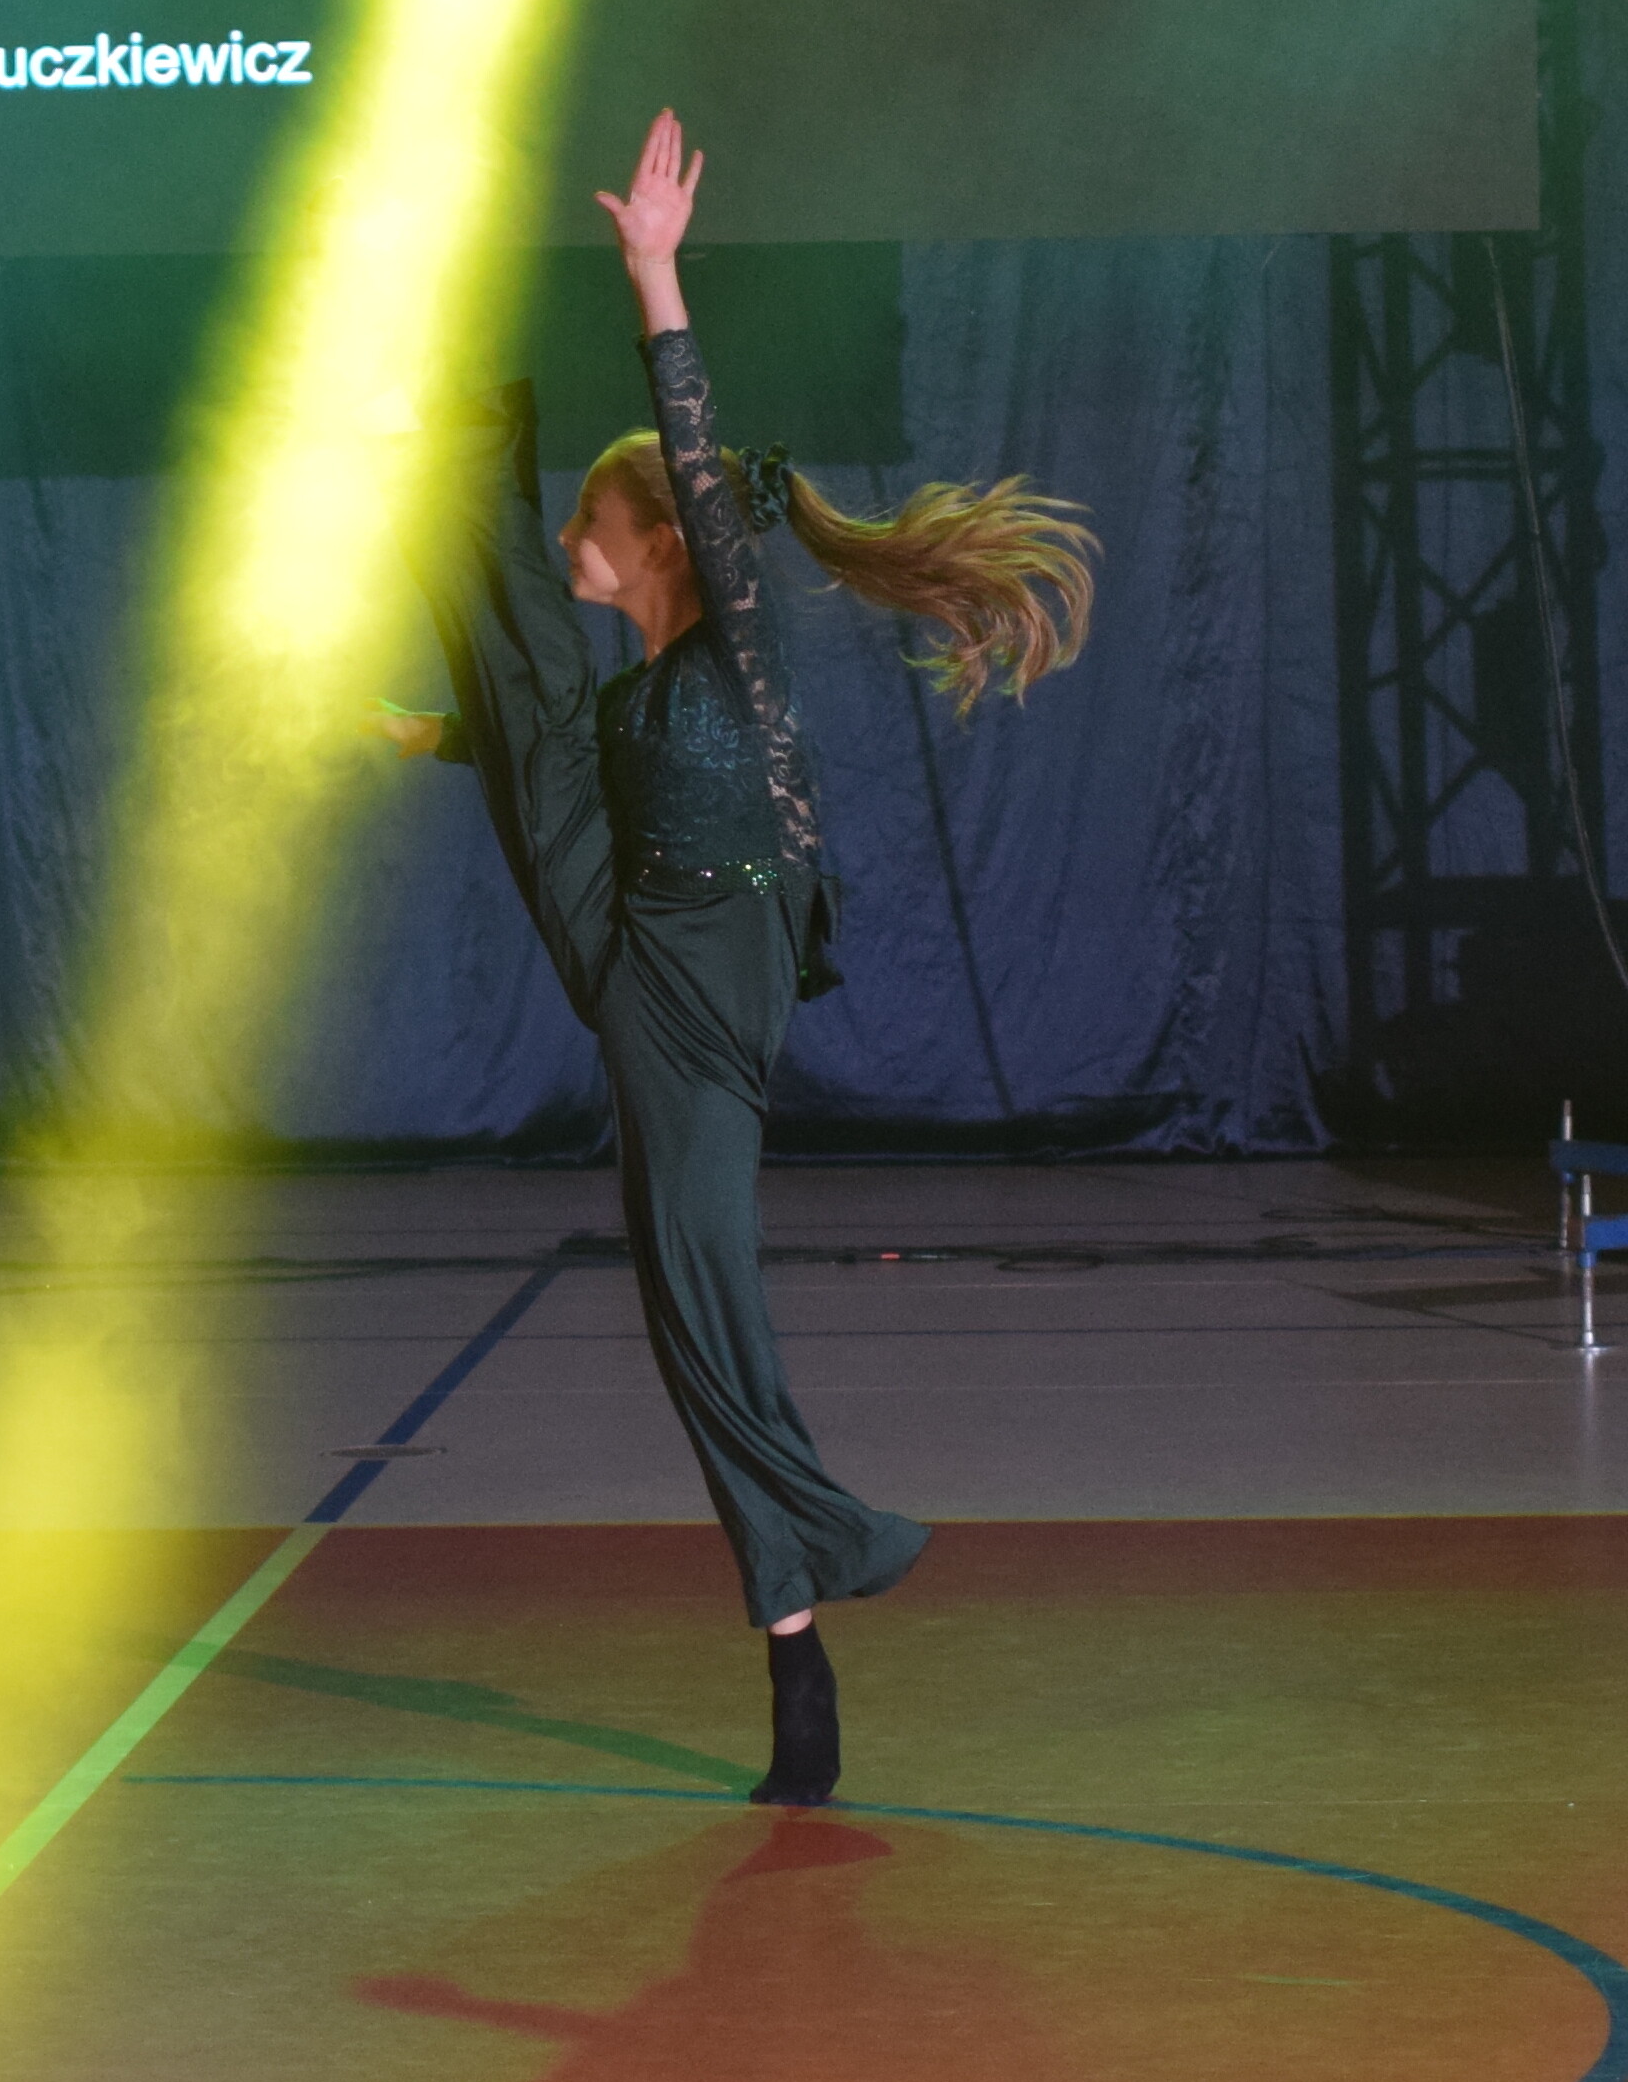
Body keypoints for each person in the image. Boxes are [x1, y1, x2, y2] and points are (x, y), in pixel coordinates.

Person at [382, 109, 1096, 1805]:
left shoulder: (734, 646)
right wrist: (424, 734)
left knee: (701, 1301)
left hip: (711, 970)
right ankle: (796, 1633)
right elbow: (540, 753)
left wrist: (655, 274)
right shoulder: (631, 698)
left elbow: (697, 459)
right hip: (644, 949)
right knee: (681, 1308)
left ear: (653, 541)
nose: (580, 543)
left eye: (589, 522)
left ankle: (824, 1557)